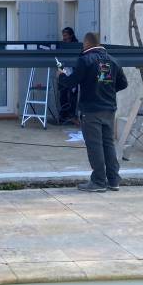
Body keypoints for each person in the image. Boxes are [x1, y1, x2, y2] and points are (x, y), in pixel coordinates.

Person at [58, 32, 127, 192]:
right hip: (109, 109)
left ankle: (98, 182)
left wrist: (61, 76)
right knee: (108, 144)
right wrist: (106, 90)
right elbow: (123, 83)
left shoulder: (85, 60)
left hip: (91, 110)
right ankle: (113, 180)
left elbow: (71, 82)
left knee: (95, 145)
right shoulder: (113, 61)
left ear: (86, 44)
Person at [58, 27, 79, 124]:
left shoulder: (76, 45)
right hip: (63, 73)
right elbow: (58, 59)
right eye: (63, 35)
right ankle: (63, 116)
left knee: (72, 96)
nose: (64, 37)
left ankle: (72, 116)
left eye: (66, 35)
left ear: (71, 35)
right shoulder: (62, 45)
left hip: (73, 74)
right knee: (63, 95)